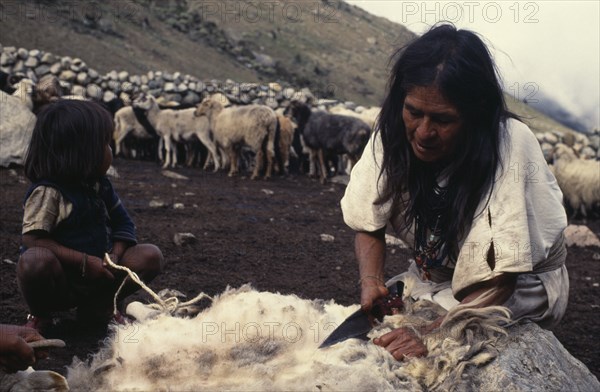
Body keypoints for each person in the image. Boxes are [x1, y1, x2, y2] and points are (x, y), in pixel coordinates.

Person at [340, 24, 568, 361]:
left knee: (430, 347)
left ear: (474, 116)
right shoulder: (391, 129)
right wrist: (370, 280)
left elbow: (505, 275)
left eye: (443, 120)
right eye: (414, 112)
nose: (423, 132)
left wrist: (432, 333)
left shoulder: (510, 145)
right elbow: (366, 218)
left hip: (517, 286)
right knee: (380, 330)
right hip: (435, 275)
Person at [17, 99, 165, 332]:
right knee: (34, 260)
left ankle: (99, 307)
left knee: (149, 256)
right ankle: (40, 314)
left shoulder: (99, 185)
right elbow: (33, 239)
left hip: (101, 275)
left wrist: (114, 256)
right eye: (105, 144)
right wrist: (84, 262)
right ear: (80, 153)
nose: (110, 151)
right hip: (62, 281)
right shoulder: (48, 193)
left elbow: (123, 225)